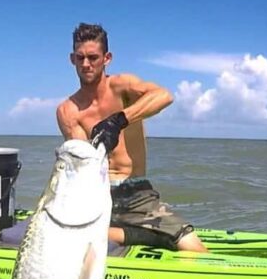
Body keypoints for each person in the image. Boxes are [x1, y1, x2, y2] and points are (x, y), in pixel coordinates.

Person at [56, 23, 207, 252]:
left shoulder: (122, 87)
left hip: (136, 194)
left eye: (93, 57)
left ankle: (131, 234)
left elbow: (163, 96)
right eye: (80, 58)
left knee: (193, 247)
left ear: (107, 58)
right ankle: (139, 235)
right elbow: (81, 168)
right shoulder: (68, 110)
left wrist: (119, 120)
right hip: (96, 196)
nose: (86, 64)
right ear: (72, 59)